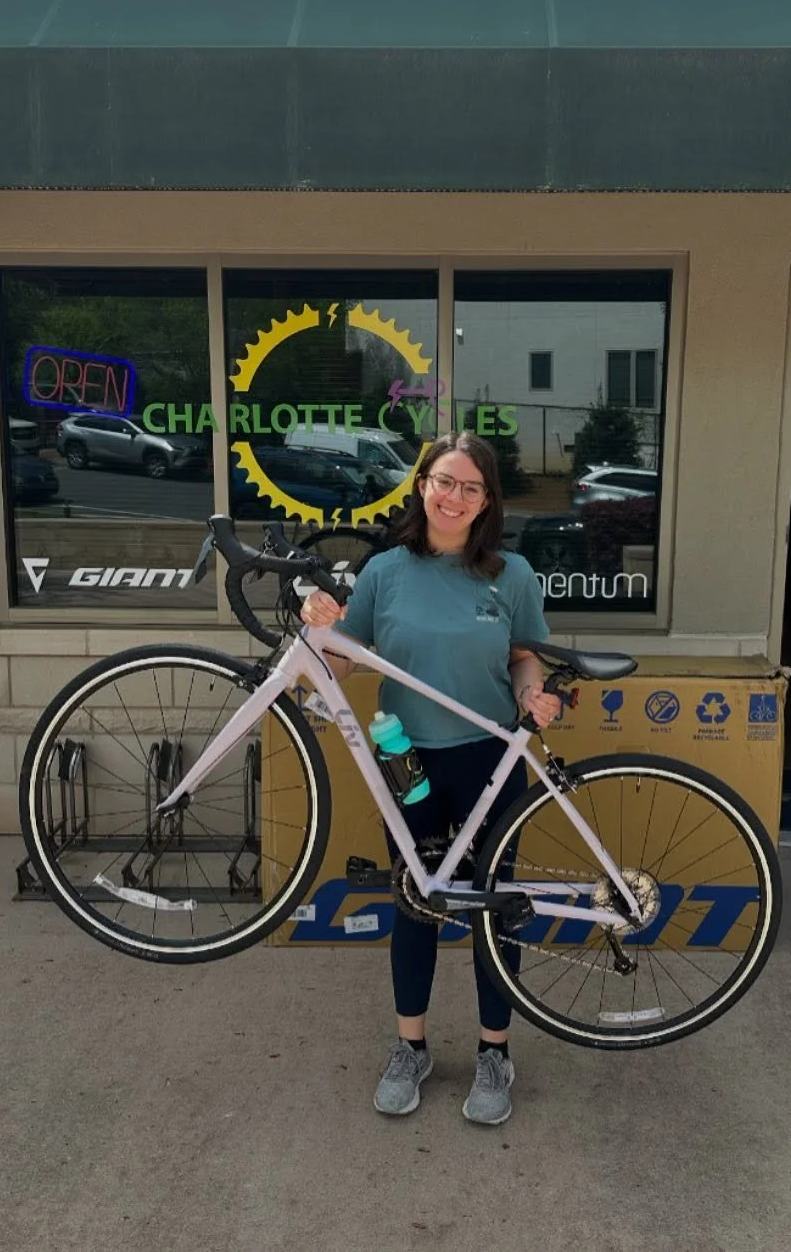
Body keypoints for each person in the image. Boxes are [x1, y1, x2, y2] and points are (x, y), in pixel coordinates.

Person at [300, 431, 561, 1126]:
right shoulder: (384, 571)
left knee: (493, 908)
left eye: (471, 487)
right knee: (415, 902)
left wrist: (534, 696)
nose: (455, 497)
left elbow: (524, 658)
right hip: (405, 757)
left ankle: (495, 1052)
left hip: (489, 756)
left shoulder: (512, 573)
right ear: (421, 486)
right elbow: (344, 660)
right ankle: (410, 1047)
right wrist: (319, 627)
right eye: (445, 481)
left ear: (487, 501)